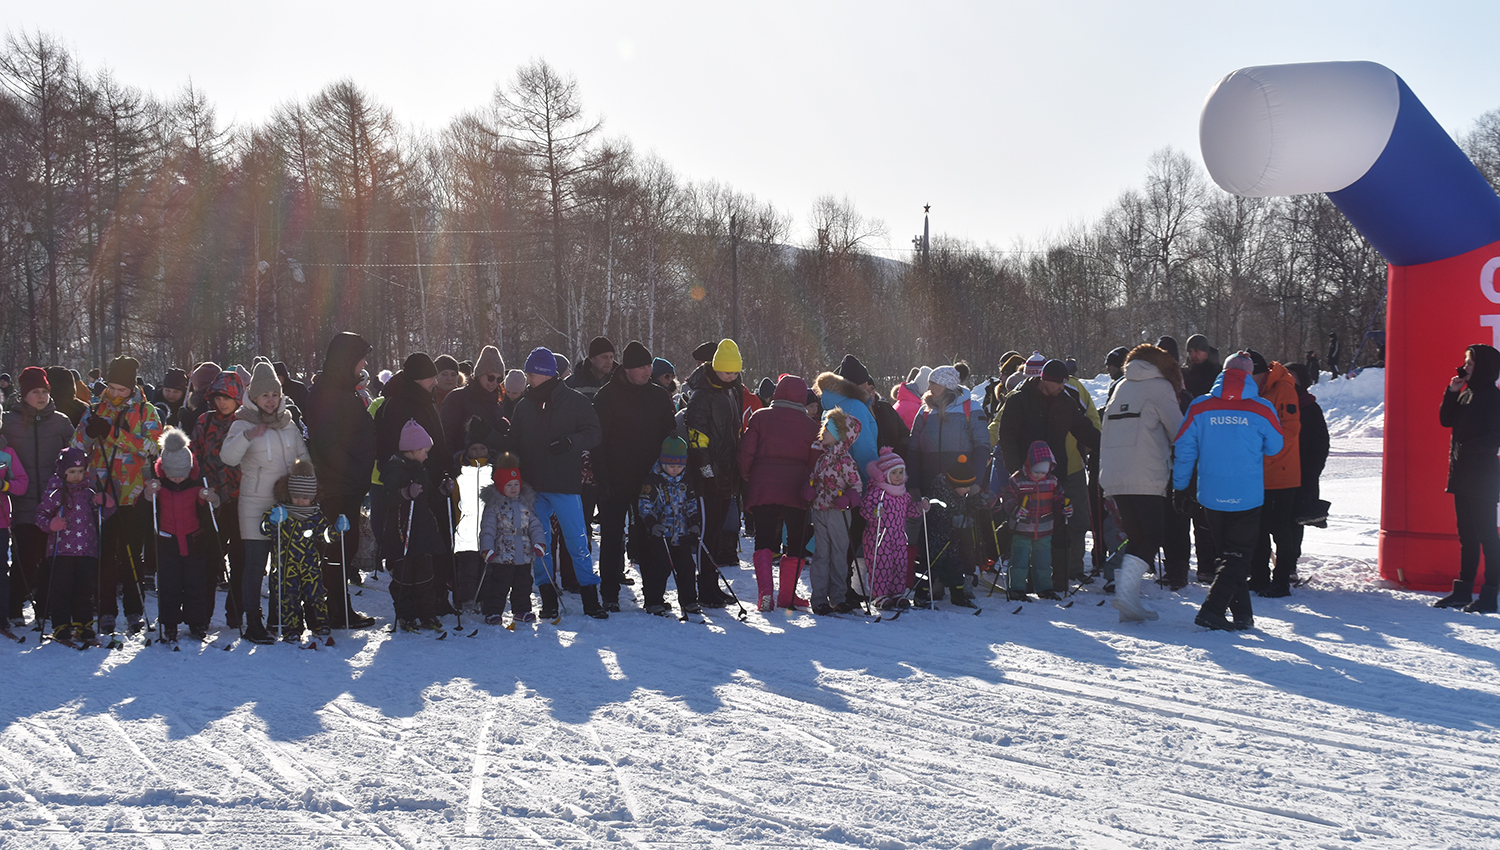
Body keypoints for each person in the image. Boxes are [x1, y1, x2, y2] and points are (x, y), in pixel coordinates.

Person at [1173, 353, 1284, 631]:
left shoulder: (1200, 406)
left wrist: (1179, 487)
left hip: (1212, 494)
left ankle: (1243, 614)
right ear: (1249, 375)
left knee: (1228, 557)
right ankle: (1212, 609)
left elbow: (1184, 450)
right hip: (1246, 494)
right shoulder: (1262, 408)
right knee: (1238, 558)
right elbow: (1275, 447)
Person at [507, 347, 606, 619]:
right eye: (527, 373)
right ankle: (547, 598)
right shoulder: (524, 406)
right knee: (540, 545)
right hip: (533, 485)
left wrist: (571, 443)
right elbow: (512, 442)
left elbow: (594, 433)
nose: (528, 378)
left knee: (577, 542)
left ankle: (590, 599)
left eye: (532, 373)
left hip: (564, 484)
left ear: (546, 374)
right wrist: (490, 439)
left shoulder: (575, 402)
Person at [220, 360, 311, 644]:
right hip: (254, 502)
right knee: (255, 564)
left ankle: (278, 616)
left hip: (285, 503)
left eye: (274, 395)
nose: (270, 401)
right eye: (264, 396)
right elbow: (228, 457)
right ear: (254, 397)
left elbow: (303, 459)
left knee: (283, 564)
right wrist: (248, 436)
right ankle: (253, 622)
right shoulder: (242, 422)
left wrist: (305, 489)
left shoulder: (288, 423)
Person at [73, 356, 163, 637]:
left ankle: (134, 609)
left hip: (133, 491)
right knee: (104, 554)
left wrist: (112, 433)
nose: (114, 393)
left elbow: (152, 447)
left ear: (132, 387)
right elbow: (76, 445)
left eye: (121, 389)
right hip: (101, 490)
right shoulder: (96, 407)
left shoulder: (146, 411)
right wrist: (89, 433)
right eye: (111, 387)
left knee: (131, 554)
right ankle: (107, 610)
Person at [994, 359, 1099, 593]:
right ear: (1046, 380)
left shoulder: (1065, 401)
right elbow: (1007, 436)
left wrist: (1107, 445)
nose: (1064, 386)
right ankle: (1022, 579)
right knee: (1024, 528)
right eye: (1060, 382)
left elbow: (1083, 428)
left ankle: (1054, 580)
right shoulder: (1019, 400)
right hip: (1025, 476)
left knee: (1057, 527)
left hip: (1055, 475)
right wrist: (1015, 471)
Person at [1099, 344, 1183, 620]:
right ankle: (1126, 597)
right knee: (1153, 535)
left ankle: (1128, 603)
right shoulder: (1160, 387)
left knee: (1137, 536)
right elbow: (1178, 430)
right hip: (1145, 472)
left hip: (1114, 472)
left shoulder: (1122, 385)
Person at [592, 340, 676, 611]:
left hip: (649, 481)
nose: (645, 370)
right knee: (612, 538)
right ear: (627, 368)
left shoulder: (658, 396)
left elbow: (670, 436)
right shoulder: (606, 396)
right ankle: (609, 594)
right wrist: (603, 481)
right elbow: (598, 443)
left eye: (648, 365)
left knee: (651, 538)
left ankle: (654, 597)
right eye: (640, 366)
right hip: (615, 480)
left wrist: (668, 475)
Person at [304, 332, 378, 630]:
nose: (363, 364)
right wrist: (354, 470)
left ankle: (336, 609)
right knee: (336, 550)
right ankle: (334, 612)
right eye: (360, 358)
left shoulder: (342, 388)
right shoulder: (328, 391)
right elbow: (326, 442)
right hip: (337, 486)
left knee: (342, 550)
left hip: (346, 484)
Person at [737, 374, 818, 611]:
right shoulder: (811, 426)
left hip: (763, 482)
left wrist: (748, 476)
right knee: (795, 540)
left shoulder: (760, 417)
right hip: (796, 487)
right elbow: (814, 461)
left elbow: (745, 452)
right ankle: (787, 595)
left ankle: (765, 593)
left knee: (763, 537)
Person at [2, 367, 74, 626]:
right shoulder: (9, 421)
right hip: (22, 500)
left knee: (50, 558)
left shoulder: (61, 421)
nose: (41, 396)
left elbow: (74, 454)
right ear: (24, 395)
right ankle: (13, 607)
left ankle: (45, 607)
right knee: (26, 556)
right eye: (35, 391)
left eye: (44, 391)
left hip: (53, 501)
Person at [1434, 344, 1500, 613]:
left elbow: (1494, 437)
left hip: (1482, 475)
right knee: (1467, 535)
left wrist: (1467, 448)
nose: (1465, 367)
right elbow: (1445, 420)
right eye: (1465, 362)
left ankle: (1489, 595)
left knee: (1487, 535)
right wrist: (1451, 392)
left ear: (1483, 366)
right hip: (1461, 473)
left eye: (1470, 363)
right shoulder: (1465, 394)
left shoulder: (1492, 397)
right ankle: (1462, 591)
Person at [685, 339, 751, 605]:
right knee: (707, 533)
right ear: (716, 368)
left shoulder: (732, 392)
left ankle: (712, 585)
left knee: (717, 533)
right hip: (708, 477)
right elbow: (696, 438)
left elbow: (734, 433)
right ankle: (705, 588)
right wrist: (706, 471)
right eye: (727, 372)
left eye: (735, 373)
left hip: (727, 474)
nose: (731, 377)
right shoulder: (702, 395)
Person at [143, 428, 220, 643]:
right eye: (172, 473)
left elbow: (213, 508)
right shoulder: (160, 488)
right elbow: (144, 506)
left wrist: (211, 498)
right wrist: (149, 493)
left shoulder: (196, 487)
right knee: (169, 585)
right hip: (167, 542)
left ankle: (197, 622)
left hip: (193, 540)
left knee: (196, 583)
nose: (177, 478)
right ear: (163, 470)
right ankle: (169, 622)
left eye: (182, 473)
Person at [35, 447, 110, 644]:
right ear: (62, 472)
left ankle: (83, 624)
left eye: (80, 472)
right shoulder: (55, 491)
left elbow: (100, 517)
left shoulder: (89, 491)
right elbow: (40, 515)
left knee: (84, 589)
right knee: (62, 588)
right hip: (61, 550)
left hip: (86, 549)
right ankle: (61, 625)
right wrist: (51, 525)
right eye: (71, 472)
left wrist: (108, 505)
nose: (76, 476)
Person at [378, 420, 445, 632]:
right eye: (425, 451)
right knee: (404, 575)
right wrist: (405, 493)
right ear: (414, 449)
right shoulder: (393, 470)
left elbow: (430, 495)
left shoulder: (421, 469)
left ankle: (427, 613)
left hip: (422, 530)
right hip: (401, 531)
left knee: (425, 574)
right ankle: (406, 614)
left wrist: (443, 491)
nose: (427, 455)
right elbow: (387, 499)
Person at [193, 370, 247, 629]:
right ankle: (201, 615)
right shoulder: (204, 422)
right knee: (209, 560)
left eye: (227, 397)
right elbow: (195, 456)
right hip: (211, 499)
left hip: (241, 500)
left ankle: (236, 612)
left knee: (240, 558)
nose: (222, 402)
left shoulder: (245, 422)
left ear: (238, 398)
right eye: (217, 397)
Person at [1247, 350, 1302, 597]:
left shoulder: (1283, 389)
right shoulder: (1251, 393)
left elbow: (1290, 430)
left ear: (1262, 372)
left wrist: (1260, 448)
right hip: (1257, 474)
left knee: (1281, 530)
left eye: (1252, 375)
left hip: (1282, 473)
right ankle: (1259, 577)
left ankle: (1281, 581)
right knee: (1257, 529)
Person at [636, 436, 703, 617]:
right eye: (671, 466)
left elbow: (690, 503)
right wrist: (651, 523)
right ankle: (653, 601)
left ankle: (689, 601)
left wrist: (694, 521)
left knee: (687, 567)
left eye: (679, 466)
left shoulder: (686, 479)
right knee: (661, 567)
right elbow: (645, 504)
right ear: (663, 462)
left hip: (681, 532)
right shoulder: (653, 480)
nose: (675, 470)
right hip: (661, 534)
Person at [806, 409, 862, 614]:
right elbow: (814, 477)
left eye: (827, 429)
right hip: (819, 511)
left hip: (839, 514)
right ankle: (819, 598)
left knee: (839, 554)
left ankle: (838, 596)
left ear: (840, 434)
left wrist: (848, 499)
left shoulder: (846, 462)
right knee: (821, 554)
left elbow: (856, 486)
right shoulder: (822, 459)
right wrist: (810, 488)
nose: (823, 432)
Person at [477, 453, 544, 625]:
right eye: (509, 485)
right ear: (500, 486)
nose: (514, 488)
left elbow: (535, 525)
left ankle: (522, 610)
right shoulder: (494, 507)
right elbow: (488, 530)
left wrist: (538, 542)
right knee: (499, 585)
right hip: (502, 554)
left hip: (524, 553)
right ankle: (493, 612)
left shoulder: (526, 504)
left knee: (523, 584)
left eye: (516, 484)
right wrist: (487, 548)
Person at [997, 441, 1069, 602]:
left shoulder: (1051, 481)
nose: (1039, 475)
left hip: (1044, 529)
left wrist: (1064, 506)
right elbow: (1008, 499)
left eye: (1043, 472)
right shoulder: (1018, 480)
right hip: (1022, 528)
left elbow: (1058, 498)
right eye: (1036, 471)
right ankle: (1016, 588)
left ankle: (1044, 588)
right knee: (1019, 560)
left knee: (1043, 561)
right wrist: (1016, 510)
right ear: (1029, 465)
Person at [860, 448, 922, 608]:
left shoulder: (903, 493)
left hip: (898, 536)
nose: (898, 476)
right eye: (894, 473)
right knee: (882, 565)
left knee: (900, 563)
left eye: (901, 472)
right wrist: (874, 512)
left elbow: (909, 510)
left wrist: (920, 507)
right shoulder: (877, 491)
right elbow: (864, 508)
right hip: (878, 536)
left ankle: (897, 593)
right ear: (885, 474)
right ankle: (879, 595)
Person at [440, 346, 508, 461]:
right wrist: (452, 465)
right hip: (463, 465)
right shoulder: (457, 398)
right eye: (490, 378)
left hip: (491, 466)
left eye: (499, 379)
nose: (494, 383)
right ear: (479, 375)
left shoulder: (498, 400)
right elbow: (446, 437)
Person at [0, 430, 28, 637]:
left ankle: (2, 616)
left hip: (1, 522)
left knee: (1, 570)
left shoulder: (6, 453)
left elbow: (21, 484)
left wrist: (4, 485)